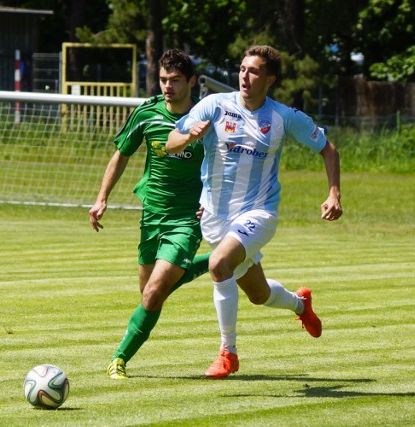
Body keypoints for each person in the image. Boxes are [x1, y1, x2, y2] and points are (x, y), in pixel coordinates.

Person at [166, 45, 343, 379]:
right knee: (259, 295)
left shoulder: (283, 117)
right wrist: (189, 136)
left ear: (270, 79)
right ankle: (300, 304)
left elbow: (328, 149)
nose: (246, 77)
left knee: (218, 265)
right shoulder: (215, 105)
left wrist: (333, 193)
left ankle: (227, 353)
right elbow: (170, 141)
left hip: (259, 214)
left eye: (255, 71)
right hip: (216, 219)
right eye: (243, 69)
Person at [89, 49, 211, 380]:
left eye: (175, 80)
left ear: (191, 82)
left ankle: (118, 358)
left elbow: (228, 163)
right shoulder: (148, 113)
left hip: (188, 218)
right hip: (152, 215)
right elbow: (121, 154)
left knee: (156, 290)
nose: (167, 86)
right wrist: (101, 199)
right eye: (163, 80)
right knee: (149, 295)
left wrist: (214, 199)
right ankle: (217, 261)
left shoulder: (208, 118)